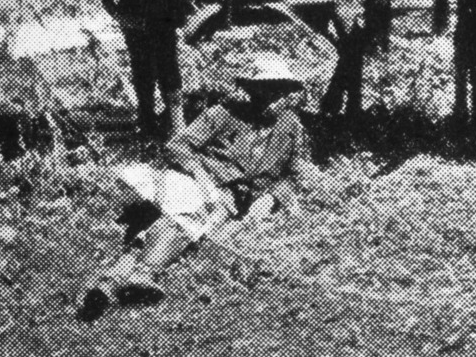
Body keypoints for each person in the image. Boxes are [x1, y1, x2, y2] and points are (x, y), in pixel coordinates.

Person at [78, 54, 313, 320]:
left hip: (231, 197)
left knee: (177, 221)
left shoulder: (291, 128)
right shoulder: (225, 113)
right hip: (194, 180)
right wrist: (201, 178)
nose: (272, 97)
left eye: (279, 90)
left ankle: (109, 284)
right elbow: (178, 145)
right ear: (251, 89)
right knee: (187, 218)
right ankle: (143, 274)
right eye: (265, 89)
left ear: (287, 92)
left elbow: (295, 175)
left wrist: (272, 198)